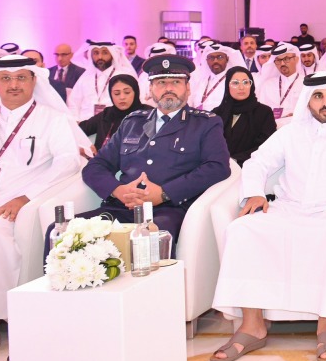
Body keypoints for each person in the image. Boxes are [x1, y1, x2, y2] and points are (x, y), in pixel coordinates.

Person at [210, 72, 326, 361]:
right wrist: (254, 193)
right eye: (318, 97)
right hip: (288, 208)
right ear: (308, 102)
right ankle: (252, 325)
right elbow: (258, 162)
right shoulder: (290, 133)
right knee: (242, 229)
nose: (325, 102)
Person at [0, 56, 84, 361]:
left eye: (21, 78)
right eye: (6, 78)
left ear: (34, 81)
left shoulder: (53, 119)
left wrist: (25, 197)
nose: (13, 85)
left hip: (15, 206)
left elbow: (68, 162)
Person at [75, 55, 231, 245]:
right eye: (161, 82)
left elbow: (217, 167)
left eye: (176, 82)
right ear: (150, 89)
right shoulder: (133, 122)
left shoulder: (205, 123)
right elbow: (96, 166)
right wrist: (117, 190)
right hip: (122, 208)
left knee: (151, 238)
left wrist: (164, 193)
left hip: (168, 209)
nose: (168, 88)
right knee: (65, 233)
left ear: (188, 88)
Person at [211, 66, 277, 166]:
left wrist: (235, 160)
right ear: (227, 86)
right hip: (219, 166)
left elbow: (266, 145)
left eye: (246, 82)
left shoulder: (263, 112)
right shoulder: (217, 113)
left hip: (250, 166)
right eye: (235, 83)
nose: (241, 87)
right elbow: (210, 143)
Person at [68, 41, 137, 120]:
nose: (100, 57)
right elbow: (73, 103)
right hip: (85, 126)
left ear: (112, 54)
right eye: (96, 53)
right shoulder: (85, 78)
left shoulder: (123, 76)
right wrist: (76, 122)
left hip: (113, 124)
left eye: (105, 53)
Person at [78, 74, 147, 151]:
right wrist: (85, 148)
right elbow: (79, 130)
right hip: (102, 162)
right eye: (116, 93)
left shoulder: (149, 115)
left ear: (136, 92)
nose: (122, 97)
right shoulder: (107, 114)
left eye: (127, 92)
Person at [189, 43, 246, 111]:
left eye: (220, 57)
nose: (215, 61)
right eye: (211, 58)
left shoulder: (234, 81)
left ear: (227, 59)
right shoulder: (202, 81)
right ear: (206, 60)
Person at [256, 43, 306, 121]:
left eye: (286, 59)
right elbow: (260, 111)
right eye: (278, 60)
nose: (282, 64)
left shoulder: (306, 84)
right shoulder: (267, 85)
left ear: (296, 59)